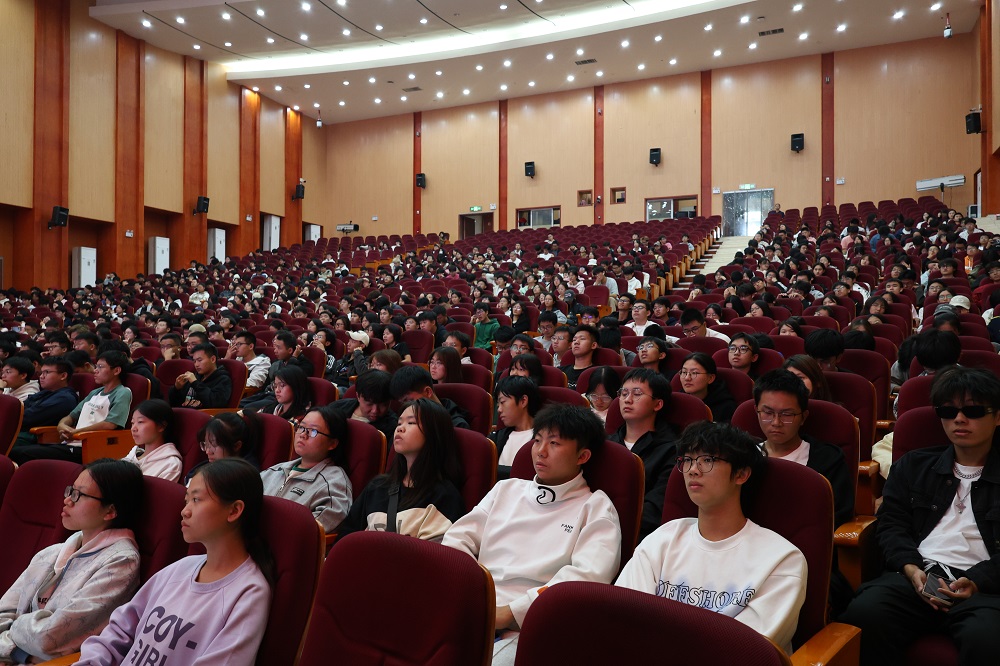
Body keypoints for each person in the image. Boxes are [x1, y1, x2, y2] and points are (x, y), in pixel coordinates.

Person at [841, 367, 1000, 665]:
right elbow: (892, 524)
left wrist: (978, 581)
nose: (959, 419)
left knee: (988, 640)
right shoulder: (914, 465)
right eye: (948, 411)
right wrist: (911, 567)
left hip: (985, 590)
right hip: (918, 575)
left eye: (974, 410)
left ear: (998, 417)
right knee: (866, 612)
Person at [442, 404, 622, 666]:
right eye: (537, 440)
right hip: (474, 604)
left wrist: (509, 613)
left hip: (532, 625)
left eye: (554, 443)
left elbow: (586, 579)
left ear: (582, 456)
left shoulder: (595, 507)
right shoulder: (507, 489)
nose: (541, 451)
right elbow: (458, 538)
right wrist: (470, 594)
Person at [616, 421, 806, 654]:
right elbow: (623, 618)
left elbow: (745, 651)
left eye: (707, 460)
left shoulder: (781, 559)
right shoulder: (662, 539)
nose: (693, 470)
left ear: (741, 474)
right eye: (687, 460)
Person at [76, 459, 273, 665]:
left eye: (196, 500)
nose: (185, 511)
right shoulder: (182, 567)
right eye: (187, 500)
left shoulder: (249, 592)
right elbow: (119, 631)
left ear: (234, 511)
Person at [0, 459, 144, 664]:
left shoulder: (121, 563)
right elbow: (3, 614)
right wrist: (17, 649)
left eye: (79, 495)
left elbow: (49, 638)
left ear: (110, 511)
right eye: (70, 491)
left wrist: (13, 641)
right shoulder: (52, 553)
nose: (68, 500)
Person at [337, 399, 464, 541]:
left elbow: (432, 553)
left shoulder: (444, 497)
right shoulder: (377, 487)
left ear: (434, 433)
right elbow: (345, 539)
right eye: (399, 423)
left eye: (411, 423)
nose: (400, 428)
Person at [11, 351, 132, 465]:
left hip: (90, 447)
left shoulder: (123, 392)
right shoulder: (95, 392)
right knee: (17, 450)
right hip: (72, 443)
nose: (95, 370)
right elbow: (71, 416)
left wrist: (76, 432)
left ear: (116, 370)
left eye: (100, 367)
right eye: (96, 366)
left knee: (19, 453)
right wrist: (62, 426)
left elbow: (110, 424)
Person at [608, 368, 679, 539]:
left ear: (658, 404)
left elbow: (655, 508)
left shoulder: (671, 449)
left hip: (638, 535)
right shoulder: (605, 445)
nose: (627, 399)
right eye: (624, 393)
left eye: (637, 393)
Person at [260, 404, 352, 534]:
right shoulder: (277, 469)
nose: (303, 435)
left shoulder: (334, 483)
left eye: (313, 431)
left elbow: (312, 531)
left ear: (332, 443)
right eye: (301, 427)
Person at [11, 356, 78, 451]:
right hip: (20, 432)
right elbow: (20, 407)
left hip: (34, 438)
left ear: (63, 376)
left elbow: (27, 418)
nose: (41, 376)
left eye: (47, 372)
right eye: (41, 373)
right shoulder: (46, 392)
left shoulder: (65, 399)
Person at [390, 365, 471, 430]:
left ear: (428, 392)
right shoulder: (405, 422)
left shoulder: (457, 426)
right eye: (402, 403)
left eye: (408, 401)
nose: (406, 407)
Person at [329, 369, 399, 443]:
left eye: (383, 405)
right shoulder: (337, 408)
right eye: (369, 404)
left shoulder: (392, 427)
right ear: (358, 396)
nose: (375, 411)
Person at [122, 399, 182, 482]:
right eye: (132, 423)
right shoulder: (133, 455)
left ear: (161, 426)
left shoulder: (170, 464)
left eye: (140, 422)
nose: (133, 428)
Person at [493, 376, 541, 480]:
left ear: (523, 401)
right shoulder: (496, 438)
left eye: (502, 402)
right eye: (498, 405)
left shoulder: (543, 440)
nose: (499, 410)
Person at [168, 343, 232, 409]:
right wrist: (177, 388)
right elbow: (175, 404)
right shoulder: (196, 376)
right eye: (194, 361)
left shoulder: (223, 379)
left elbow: (215, 403)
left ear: (213, 359)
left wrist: (195, 383)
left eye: (199, 360)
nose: (196, 365)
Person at [679, 352, 737, 423]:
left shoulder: (725, 407)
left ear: (710, 378)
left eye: (694, 373)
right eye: (684, 372)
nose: (687, 378)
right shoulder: (677, 401)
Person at [244, 365, 312, 421]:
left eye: (282, 385)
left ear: (296, 386)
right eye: (275, 386)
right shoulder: (272, 408)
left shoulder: (303, 417)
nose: (277, 390)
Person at [559, 325, 599, 390]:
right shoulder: (560, 371)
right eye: (574, 339)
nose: (576, 342)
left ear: (593, 345)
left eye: (582, 339)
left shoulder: (597, 374)